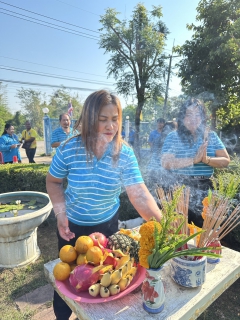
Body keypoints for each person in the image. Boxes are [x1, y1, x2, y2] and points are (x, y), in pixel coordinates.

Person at [46, 90, 162, 320]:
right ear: (89, 119)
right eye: (103, 120)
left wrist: (163, 224)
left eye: (115, 118)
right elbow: (53, 181)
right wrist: (60, 213)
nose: (111, 126)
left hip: (108, 229)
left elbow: (139, 194)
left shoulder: (124, 153)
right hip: (72, 229)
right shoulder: (69, 148)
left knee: (101, 285)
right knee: (67, 281)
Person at [161, 98, 230, 227]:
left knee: (206, 231)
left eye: (198, 114)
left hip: (205, 188)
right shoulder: (173, 136)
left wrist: (207, 160)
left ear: (203, 117)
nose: (194, 118)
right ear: (182, 117)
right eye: (189, 114)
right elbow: (166, 162)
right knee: (179, 232)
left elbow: (226, 161)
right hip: (179, 186)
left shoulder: (211, 136)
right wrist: (193, 160)